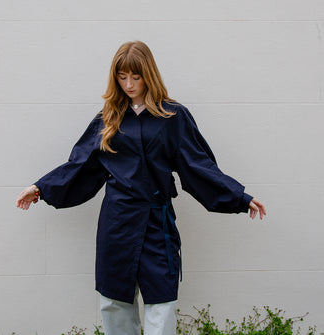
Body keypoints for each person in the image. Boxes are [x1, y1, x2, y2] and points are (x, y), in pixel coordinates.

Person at [16, 41, 266, 335]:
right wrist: (40, 188)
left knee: (161, 301)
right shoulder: (109, 116)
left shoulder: (173, 116)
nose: (129, 84)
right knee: (114, 301)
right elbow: (82, 163)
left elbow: (198, 165)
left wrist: (239, 197)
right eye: (122, 77)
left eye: (136, 77)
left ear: (149, 74)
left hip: (156, 221)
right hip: (117, 220)